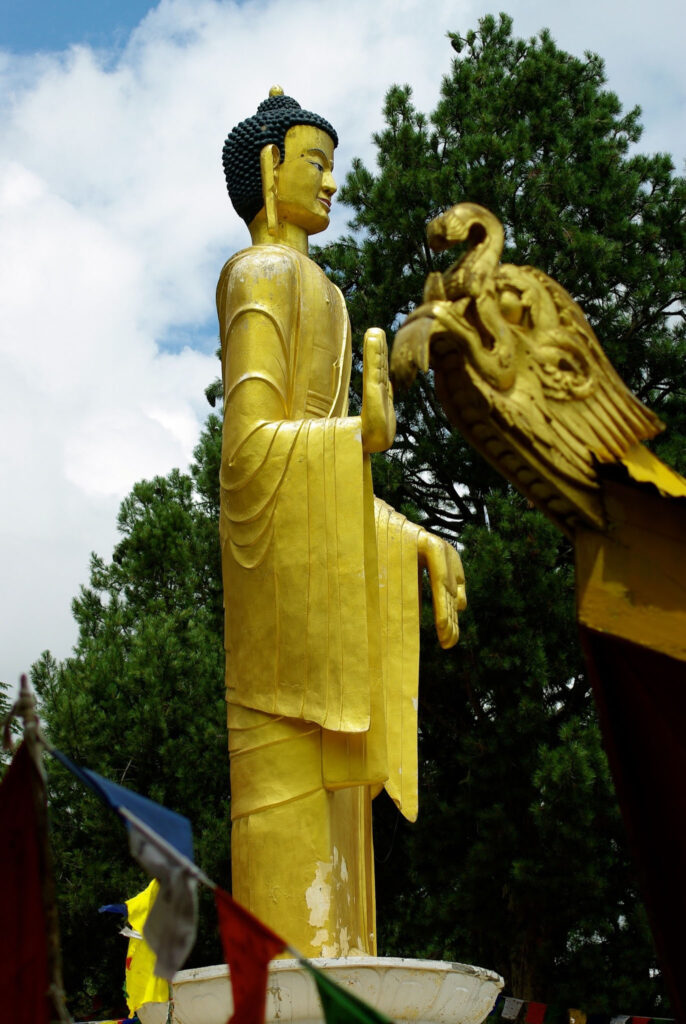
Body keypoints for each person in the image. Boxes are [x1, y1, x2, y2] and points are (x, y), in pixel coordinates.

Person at [218, 88, 465, 957]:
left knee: (348, 906)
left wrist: (411, 539)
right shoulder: (259, 275)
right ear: (266, 167)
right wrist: (350, 437)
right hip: (279, 631)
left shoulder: (324, 289)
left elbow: (342, 479)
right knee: (293, 911)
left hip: (323, 597)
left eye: (334, 167)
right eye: (314, 164)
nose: (331, 184)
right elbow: (247, 452)